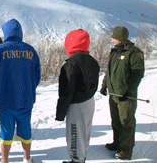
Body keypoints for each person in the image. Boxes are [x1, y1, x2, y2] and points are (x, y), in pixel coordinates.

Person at [0, 19, 41, 163]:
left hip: (4, 100)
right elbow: (37, 76)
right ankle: (27, 158)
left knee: (6, 131)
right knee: (25, 129)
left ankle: (4, 160)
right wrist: (27, 89)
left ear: (6, 33)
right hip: (25, 100)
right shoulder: (30, 50)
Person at [100, 26, 145, 160]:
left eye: (114, 38)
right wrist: (104, 85)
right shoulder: (114, 52)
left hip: (126, 96)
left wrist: (129, 90)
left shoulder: (134, 53)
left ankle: (125, 151)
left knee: (126, 122)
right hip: (114, 94)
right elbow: (109, 71)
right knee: (116, 121)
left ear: (121, 38)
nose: (112, 40)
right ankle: (117, 143)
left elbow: (138, 74)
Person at [55, 29, 100, 163]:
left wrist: (60, 113)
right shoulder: (92, 61)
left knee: (74, 134)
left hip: (76, 105)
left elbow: (66, 92)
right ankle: (82, 157)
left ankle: (76, 160)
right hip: (89, 101)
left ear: (71, 44)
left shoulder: (71, 65)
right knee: (85, 131)